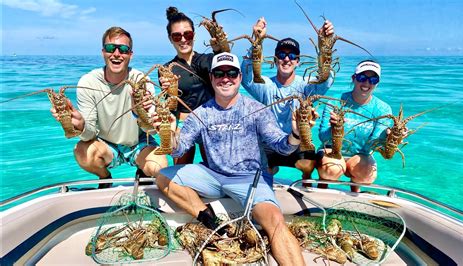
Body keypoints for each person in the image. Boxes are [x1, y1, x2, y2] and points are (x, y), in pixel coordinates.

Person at [154, 52, 305, 265]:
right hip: (212, 175)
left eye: (232, 73)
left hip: (250, 179)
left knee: (275, 220)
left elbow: (282, 146)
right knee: (162, 177)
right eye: (219, 73)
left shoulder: (256, 109)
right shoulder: (200, 113)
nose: (226, 78)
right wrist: (168, 135)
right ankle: (207, 217)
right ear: (212, 77)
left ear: (240, 77)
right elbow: (179, 150)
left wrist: (297, 134)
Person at [50, 26, 168, 188]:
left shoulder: (141, 80)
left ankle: (143, 172)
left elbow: (152, 130)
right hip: (107, 145)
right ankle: (105, 178)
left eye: (124, 49)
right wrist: (80, 125)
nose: (117, 54)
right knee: (82, 152)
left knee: (160, 166)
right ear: (103, 52)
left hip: (138, 142)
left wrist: (139, 113)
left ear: (130, 55)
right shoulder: (88, 82)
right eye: (111, 48)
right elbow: (89, 134)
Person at [241, 17, 335, 183]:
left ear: (298, 62)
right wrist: (256, 40)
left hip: (299, 141)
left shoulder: (307, 86)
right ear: (276, 59)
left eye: (292, 55)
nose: (286, 59)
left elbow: (326, 80)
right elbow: (246, 78)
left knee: (308, 163)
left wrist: (323, 47)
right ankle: (267, 182)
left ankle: (305, 183)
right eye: (281, 54)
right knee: (260, 167)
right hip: (270, 142)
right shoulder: (267, 85)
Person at [317, 60, 395, 192]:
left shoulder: (383, 109)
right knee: (331, 169)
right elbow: (323, 137)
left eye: (373, 79)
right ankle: (322, 189)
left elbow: (374, 144)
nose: (366, 83)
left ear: (377, 83)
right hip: (331, 150)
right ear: (354, 78)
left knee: (367, 174)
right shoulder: (335, 101)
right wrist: (333, 128)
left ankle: (355, 194)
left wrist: (389, 138)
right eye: (362, 77)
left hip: (360, 155)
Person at [159, 6, 221, 165]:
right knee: (179, 174)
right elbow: (169, 107)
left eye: (188, 34)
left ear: (194, 35)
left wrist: (219, 48)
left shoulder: (209, 60)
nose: (183, 39)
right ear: (170, 38)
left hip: (211, 124)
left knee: (218, 169)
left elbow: (228, 72)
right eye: (177, 36)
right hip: (183, 126)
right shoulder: (166, 70)